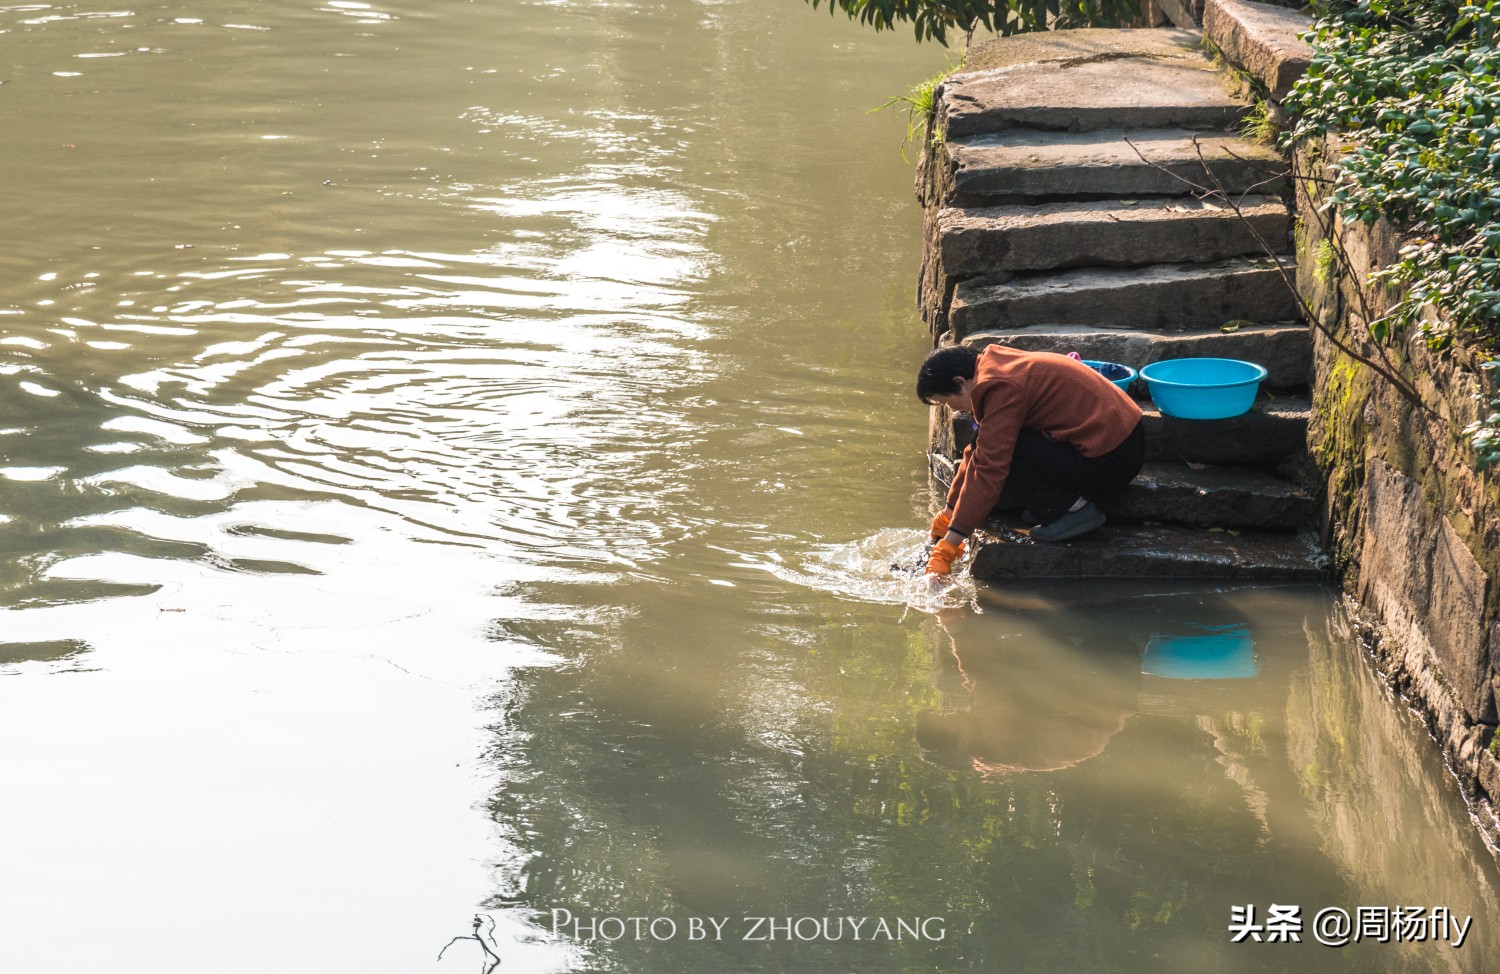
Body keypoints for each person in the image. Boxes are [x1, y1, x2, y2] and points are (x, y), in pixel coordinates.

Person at [916, 343, 1145, 577]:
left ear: (960, 382)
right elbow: (978, 448)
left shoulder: (1000, 386)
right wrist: (949, 512)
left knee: (1010, 451)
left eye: (946, 402)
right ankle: (1051, 504)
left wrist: (951, 544)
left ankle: (1074, 511)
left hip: (1113, 458)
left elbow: (988, 468)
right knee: (990, 441)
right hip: (1119, 443)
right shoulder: (992, 366)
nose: (953, 410)